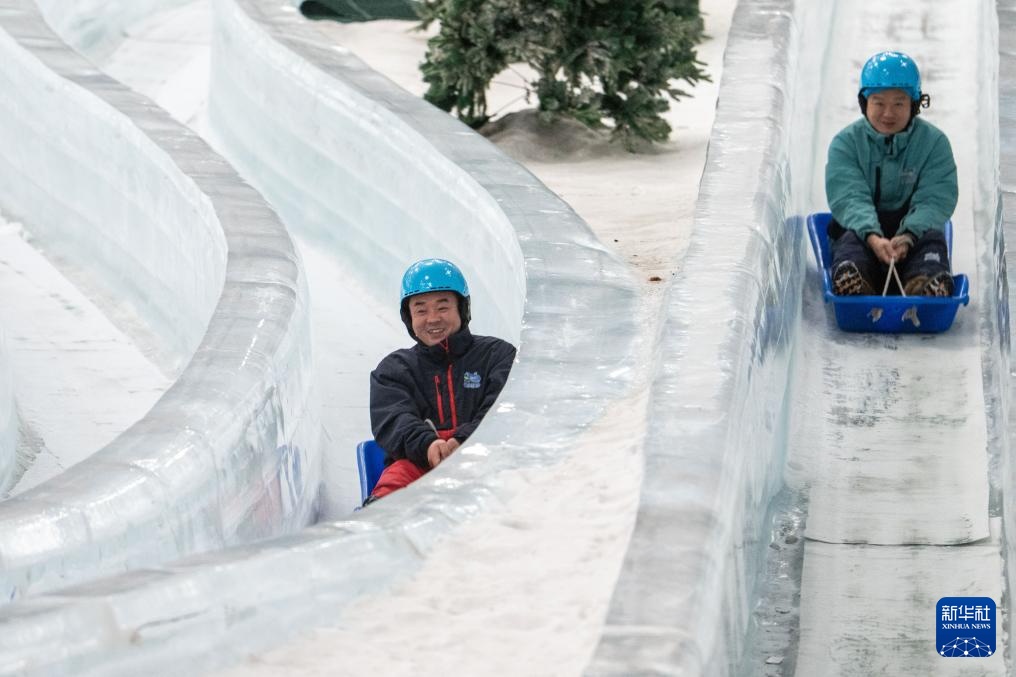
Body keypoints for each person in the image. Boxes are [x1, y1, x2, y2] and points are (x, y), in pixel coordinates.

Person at [365, 258, 516, 504]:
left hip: (485, 459)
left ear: (462, 309)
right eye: (421, 310)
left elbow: (502, 409)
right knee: (393, 486)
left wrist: (463, 442)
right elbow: (394, 419)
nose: (432, 318)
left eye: (443, 307)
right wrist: (428, 445)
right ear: (409, 318)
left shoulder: (497, 355)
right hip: (419, 461)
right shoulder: (394, 370)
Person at [826, 50, 958, 297]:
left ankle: (926, 282)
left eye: (899, 103)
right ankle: (854, 279)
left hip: (913, 235)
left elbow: (935, 197)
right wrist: (872, 237)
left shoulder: (934, 144)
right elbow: (849, 196)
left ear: (915, 104)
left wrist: (908, 236)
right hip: (863, 234)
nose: (888, 113)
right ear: (865, 103)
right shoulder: (846, 144)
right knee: (849, 239)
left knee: (931, 240)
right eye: (878, 102)